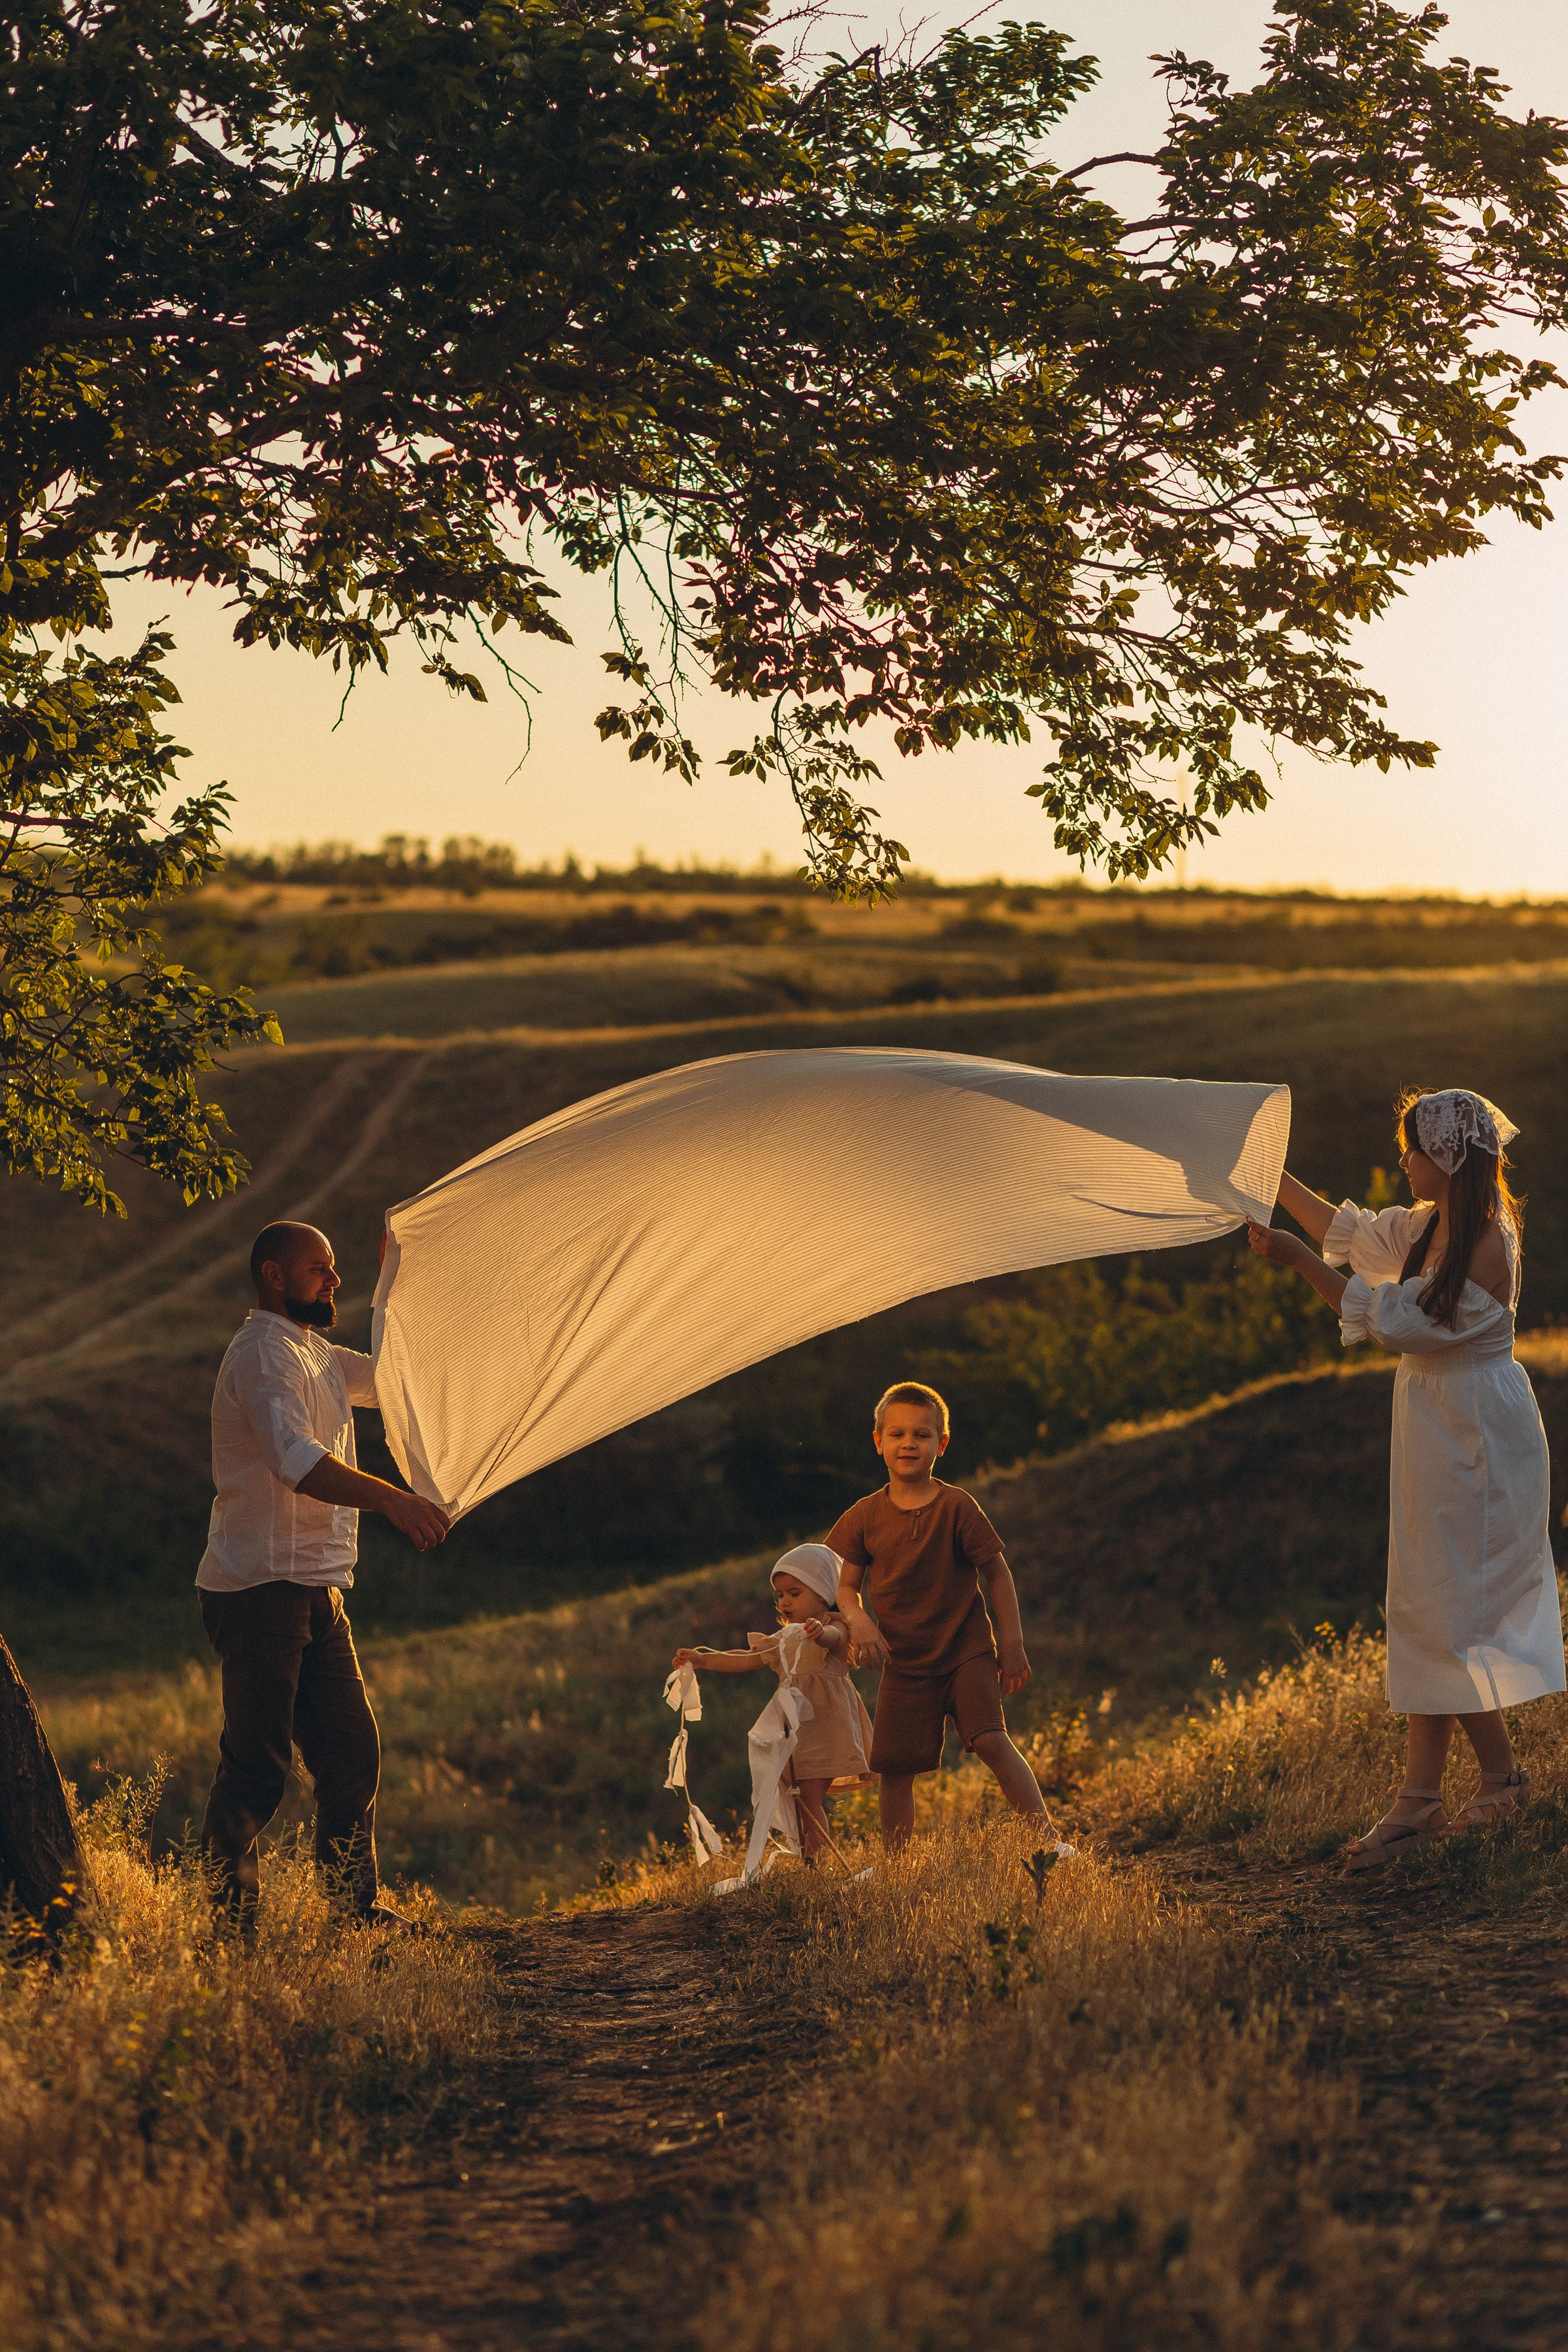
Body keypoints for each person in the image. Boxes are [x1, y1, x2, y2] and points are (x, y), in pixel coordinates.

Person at [1249, 1088, 1563, 1870]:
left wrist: (1294, 1262)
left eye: (1411, 1150)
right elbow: (1348, 1234)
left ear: (1447, 1160)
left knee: (1449, 1607)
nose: (1402, 1162)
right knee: (1426, 1599)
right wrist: (1268, 1177)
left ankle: (1495, 1778)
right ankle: (1423, 1798)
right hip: (1437, 1425)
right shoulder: (1432, 1227)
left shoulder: (1485, 1243)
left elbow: (1394, 1324)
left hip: (1477, 1436)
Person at [197, 1221, 451, 1928]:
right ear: (275, 1275)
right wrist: (396, 1499)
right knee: (257, 1768)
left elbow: (397, 1374)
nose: (332, 1281)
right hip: (257, 1590)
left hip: (316, 1589)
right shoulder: (261, 1355)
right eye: (320, 1269)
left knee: (350, 1753)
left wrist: (402, 1279)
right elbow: (295, 1460)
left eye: (335, 1270)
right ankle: (229, 1927)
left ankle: (353, 1910)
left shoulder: (315, 1353)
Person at [826, 1382, 1051, 1851]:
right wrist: (858, 1620)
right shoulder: (865, 1516)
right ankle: (897, 1869)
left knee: (991, 1740)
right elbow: (844, 1586)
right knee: (893, 1768)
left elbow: (998, 1573)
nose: (909, 1443)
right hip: (905, 1663)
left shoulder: (957, 1507)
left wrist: (1012, 1645)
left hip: (965, 1651)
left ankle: (1049, 1842)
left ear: (941, 1444)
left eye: (922, 1435)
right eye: (897, 1434)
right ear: (878, 1442)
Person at [670, 1544, 874, 1858]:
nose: (785, 1602)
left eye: (794, 1593)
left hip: (826, 1727)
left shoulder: (836, 1626)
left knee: (808, 1798)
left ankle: (817, 1864)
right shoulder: (787, 1636)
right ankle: (809, 1860)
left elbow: (835, 1639)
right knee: (797, 1799)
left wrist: (819, 1634)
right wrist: (704, 1659)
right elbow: (748, 1658)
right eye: (780, 1596)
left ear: (822, 1592)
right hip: (795, 1731)